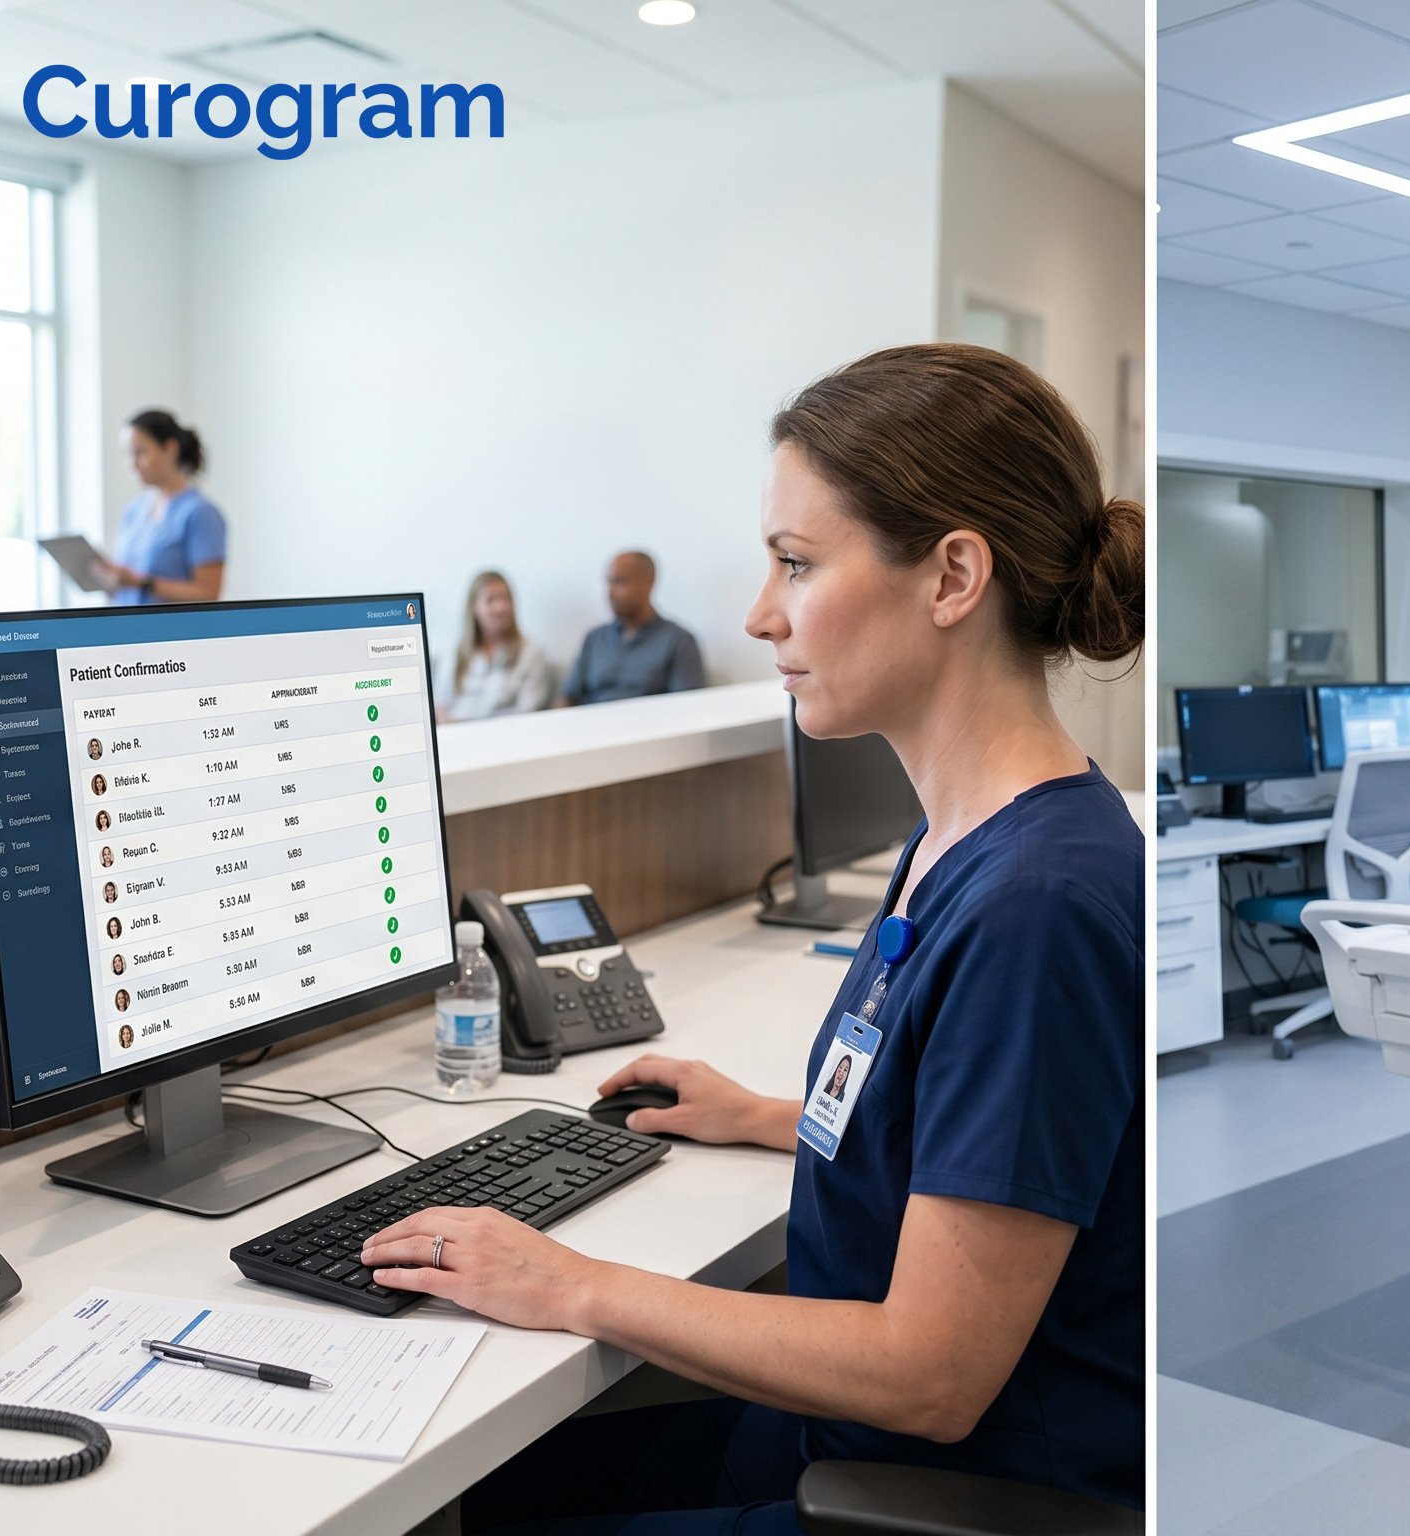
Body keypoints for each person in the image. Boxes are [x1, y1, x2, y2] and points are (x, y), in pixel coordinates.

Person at [357, 344, 1147, 1531]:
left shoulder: (1038, 906)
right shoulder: (965, 839)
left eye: (795, 563)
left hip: (942, 1485)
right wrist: (769, 1116)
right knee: (482, 1490)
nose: (758, 612)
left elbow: (931, 1375)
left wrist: (572, 1284)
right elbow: (984, 1132)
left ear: (951, 578)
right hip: (832, 1435)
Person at [95, 409, 227, 605]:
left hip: (173, 632)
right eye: (129, 454)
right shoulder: (133, 511)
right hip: (127, 629)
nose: (133, 464)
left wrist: (142, 583)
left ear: (170, 449)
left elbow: (208, 593)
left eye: (140, 452)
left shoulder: (200, 513)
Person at [554, 550, 705, 706]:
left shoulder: (678, 642)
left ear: (648, 583)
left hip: (649, 727)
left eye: (620, 582)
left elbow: (686, 709)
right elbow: (568, 697)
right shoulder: (595, 639)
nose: (610, 592)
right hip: (591, 726)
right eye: (609, 582)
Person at [440, 571, 558, 721]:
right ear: (473, 607)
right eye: (490, 600)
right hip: (458, 736)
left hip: (507, 735)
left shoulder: (531, 653)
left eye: (505, 598)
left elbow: (529, 710)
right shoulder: (454, 653)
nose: (501, 607)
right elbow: (440, 706)